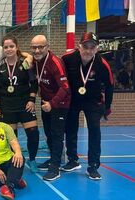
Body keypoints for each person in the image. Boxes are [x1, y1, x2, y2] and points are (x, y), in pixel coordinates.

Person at [61, 32, 114, 180]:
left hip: (93, 101)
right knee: (70, 128)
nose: (88, 50)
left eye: (92, 47)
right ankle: (72, 160)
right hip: (73, 99)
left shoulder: (102, 64)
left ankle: (93, 166)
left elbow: (110, 86)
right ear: (79, 46)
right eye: (86, 46)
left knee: (94, 131)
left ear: (97, 48)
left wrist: (107, 107)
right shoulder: (67, 59)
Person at [0, 35, 40, 173]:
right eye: (6, 47)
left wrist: (31, 100)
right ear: (3, 49)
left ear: (16, 47)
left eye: (11, 46)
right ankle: (16, 159)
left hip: (25, 104)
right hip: (7, 105)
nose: (9, 49)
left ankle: (32, 159)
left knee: (33, 133)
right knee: (12, 136)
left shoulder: (25, 63)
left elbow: (34, 83)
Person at [30, 35, 71, 181]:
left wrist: (52, 104)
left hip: (59, 104)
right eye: (34, 47)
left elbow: (65, 88)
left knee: (57, 134)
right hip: (46, 103)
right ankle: (53, 159)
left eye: (40, 47)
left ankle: (55, 167)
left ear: (47, 47)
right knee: (48, 133)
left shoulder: (55, 62)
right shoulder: (35, 61)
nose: (37, 50)